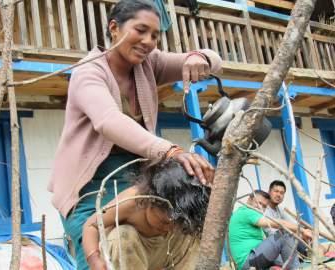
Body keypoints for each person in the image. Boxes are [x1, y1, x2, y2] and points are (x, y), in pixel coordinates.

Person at [48, 0, 222, 269]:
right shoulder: (88, 72)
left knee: (150, 251)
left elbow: (215, 63)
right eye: (140, 30)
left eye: (154, 35)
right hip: (88, 186)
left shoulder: (149, 64)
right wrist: (170, 151)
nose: (148, 41)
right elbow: (108, 121)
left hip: (137, 181)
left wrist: (200, 57)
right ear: (114, 28)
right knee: (99, 258)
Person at [83, 158, 211, 270]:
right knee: (123, 235)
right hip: (129, 256)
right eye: (164, 222)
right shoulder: (132, 202)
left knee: (191, 234)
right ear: (149, 202)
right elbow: (91, 225)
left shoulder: (175, 222)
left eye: (174, 224)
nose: (168, 228)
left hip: (163, 254)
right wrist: (94, 260)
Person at [228, 190, 312, 270]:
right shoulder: (247, 211)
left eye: (264, 206)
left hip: (255, 259)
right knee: (283, 234)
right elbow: (278, 224)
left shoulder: (248, 216)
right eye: (259, 203)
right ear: (249, 199)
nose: (260, 207)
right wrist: (303, 230)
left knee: (290, 258)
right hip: (249, 261)